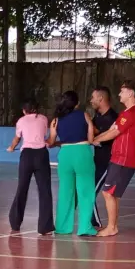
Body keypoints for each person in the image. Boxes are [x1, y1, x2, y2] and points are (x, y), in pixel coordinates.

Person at [92, 79, 135, 237]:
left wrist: (95, 140)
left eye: (122, 91)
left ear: (131, 93)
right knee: (114, 194)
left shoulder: (131, 113)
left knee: (107, 193)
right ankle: (112, 225)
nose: (119, 94)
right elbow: (111, 130)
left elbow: (114, 133)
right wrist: (96, 138)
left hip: (123, 159)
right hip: (120, 159)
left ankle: (112, 227)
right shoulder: (125, 113)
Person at [47, 90, 96, 237]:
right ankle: (85, 227)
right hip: (82, 153)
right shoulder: (84, 115)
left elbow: (50, 142)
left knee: (65, 192)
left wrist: (56, 142)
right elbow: (91, 138)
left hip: (65, 154)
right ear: (77, 103)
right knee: (85, 192)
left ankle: (62, 227)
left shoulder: (56, 120)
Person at [7, 98, 54, 235]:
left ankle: (15, 223)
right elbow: (44, 136)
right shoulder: (44, 119)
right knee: (44, 190)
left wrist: (11, 148)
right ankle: (45, 227)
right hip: (41, 155)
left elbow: (17, 139)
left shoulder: (21, 121)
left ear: (24, 111)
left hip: (26, 155)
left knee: (22, 188)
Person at [89, 86, 119, 228]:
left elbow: (107, 137)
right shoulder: (98, 115)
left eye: (93, 98)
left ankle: (96, 223)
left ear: (100, 98)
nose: (91, 101)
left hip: (108, 161)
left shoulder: (113, 118)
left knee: (91, 191)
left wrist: (96, 136)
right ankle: (92, 220)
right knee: (88, 189)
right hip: (97, 160)